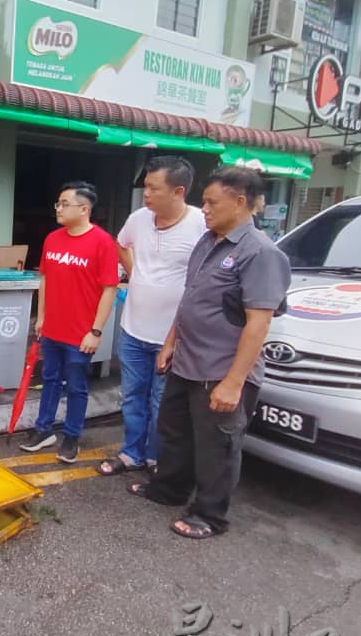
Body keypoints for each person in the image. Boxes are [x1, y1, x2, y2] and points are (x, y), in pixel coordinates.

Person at [128, 167, 290, 539]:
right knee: (175, 433)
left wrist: (233, 383)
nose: (204, 209)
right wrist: (170, 342)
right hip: (187, 362)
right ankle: (169, 489)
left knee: (217, 447)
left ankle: (209, 515)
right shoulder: (208, 241)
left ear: (240, 201)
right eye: (203, 202)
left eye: (211, 202)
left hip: (220, 371)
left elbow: (258, 323)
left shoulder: (261, 253)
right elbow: (190, 300)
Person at [99, 156, 206, 477]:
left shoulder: (200, 224)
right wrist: (137, 275)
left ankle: (157, 457)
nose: (146, 194)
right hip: (133, 330)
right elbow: (121, 245)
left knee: (163, 403)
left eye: (153, 188)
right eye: (145, 186)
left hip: (172, 337)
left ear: (178, 191)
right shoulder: (139, 219)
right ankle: (131, 453)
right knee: (132, 397)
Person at [19, 182, 119, 464]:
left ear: (84, 209)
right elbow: (45, 279)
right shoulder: (52, 239)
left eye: (64, 203)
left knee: (76, 386)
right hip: (52, 329)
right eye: (58, 203)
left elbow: (109, 289)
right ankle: (43, 430)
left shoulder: (102, 242)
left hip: (81, 334)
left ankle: (72, 436)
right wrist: (42, 316)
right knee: (49, 380)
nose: (59, 209)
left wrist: (95, 331)